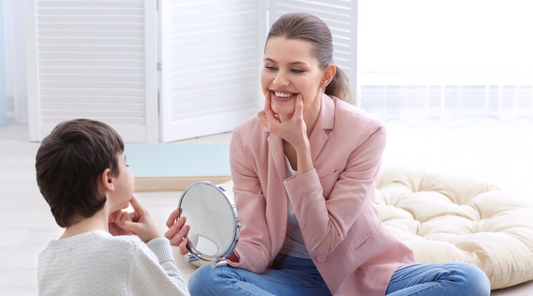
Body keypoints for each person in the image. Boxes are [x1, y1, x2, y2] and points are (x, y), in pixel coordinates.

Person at [178, 12, 491, 296]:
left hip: (360, 272)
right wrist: (217, 250)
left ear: (325, 76)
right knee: (207, 281)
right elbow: (257, 244)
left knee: (469, 280)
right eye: (270, 66)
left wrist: (301, 150)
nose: (278, 81)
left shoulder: (366, 133)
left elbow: (324, 241)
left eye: (296, 69)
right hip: (289, 277)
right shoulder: (246, 138)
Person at [35, 119, 190, 296]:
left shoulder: (47, 260)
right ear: (109, 179)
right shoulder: (127, 251)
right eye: (126, 165)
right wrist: (155, 242)